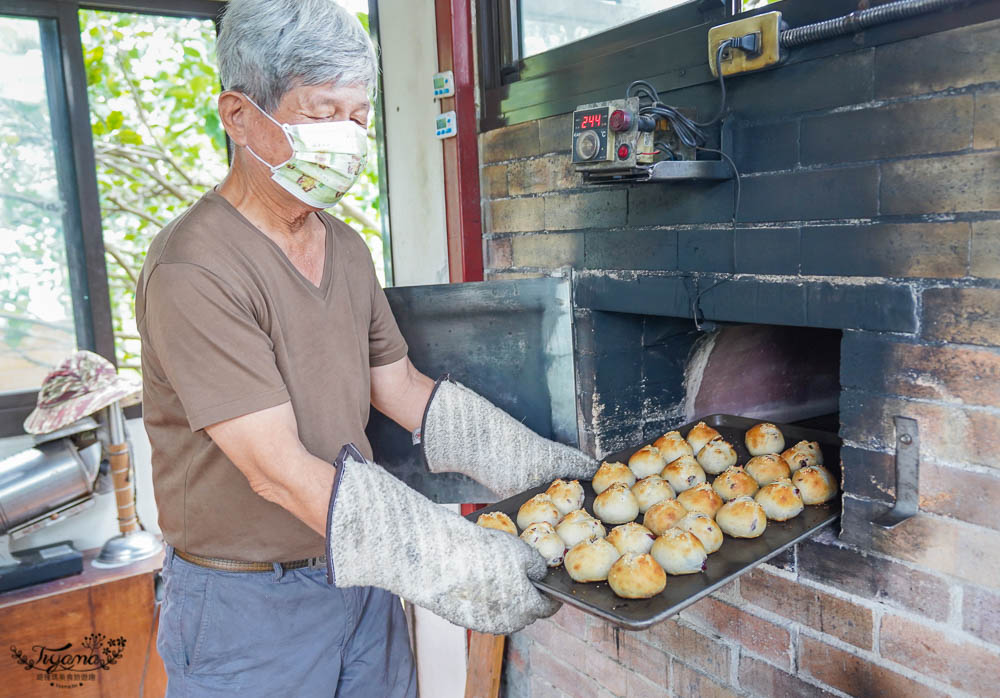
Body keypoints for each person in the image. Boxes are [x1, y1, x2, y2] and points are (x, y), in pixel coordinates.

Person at [135, 1, 596, 695]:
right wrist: (451, 560)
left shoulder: (344, 247)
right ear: (238, 115)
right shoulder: (194, 269)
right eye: (322, 113)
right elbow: (278, 471)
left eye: (358, 117)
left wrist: (547, 470)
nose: (346, 138)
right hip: (249, 607)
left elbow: (401, 389)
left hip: (362, 574)